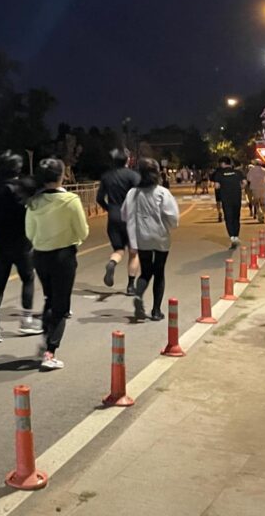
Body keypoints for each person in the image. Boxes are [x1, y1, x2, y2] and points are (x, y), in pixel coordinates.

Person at [25, 158, 89, 371]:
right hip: (64, 256)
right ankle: (50, 351)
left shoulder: (33, 202)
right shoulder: (71, 200)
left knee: (49, 298)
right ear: (62, 176)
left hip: (40, 256)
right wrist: (74, 240)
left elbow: (30, 233)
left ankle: (46, 339)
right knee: (61, 306)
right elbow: (83, 231)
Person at [0, 151, 41, 343]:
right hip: (21, 241)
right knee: (28, 278)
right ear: (17, 168)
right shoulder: (22, 187)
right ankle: (26, 320)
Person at [122, 159, 180, 322]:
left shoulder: (133, 193)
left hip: (142, 237)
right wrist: (169, 226)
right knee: (159, 272)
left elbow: (124, 214)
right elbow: (173, 216)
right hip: (160, 236)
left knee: (146, 271)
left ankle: (139, 295)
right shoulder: (162, 192)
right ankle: (156, 311)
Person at [96, 149, 141, 294]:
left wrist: (109, 209)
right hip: (130, 217)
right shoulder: (133, 176)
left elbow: (99, 198)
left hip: (114, 216)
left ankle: (112, 262)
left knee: (119, 250)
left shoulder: (106, 177)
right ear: (127, 160)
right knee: (134, 253)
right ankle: (131, 286)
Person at [211, 156, 245, 247]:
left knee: (228, 217)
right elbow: (244, 183)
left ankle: (232, 236)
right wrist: (238, 188)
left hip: (226, 198)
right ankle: (236, 235)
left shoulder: (219, 173)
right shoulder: (238, 172)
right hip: (236, 197)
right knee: (236, 217)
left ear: (222, 164)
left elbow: (216, 186)